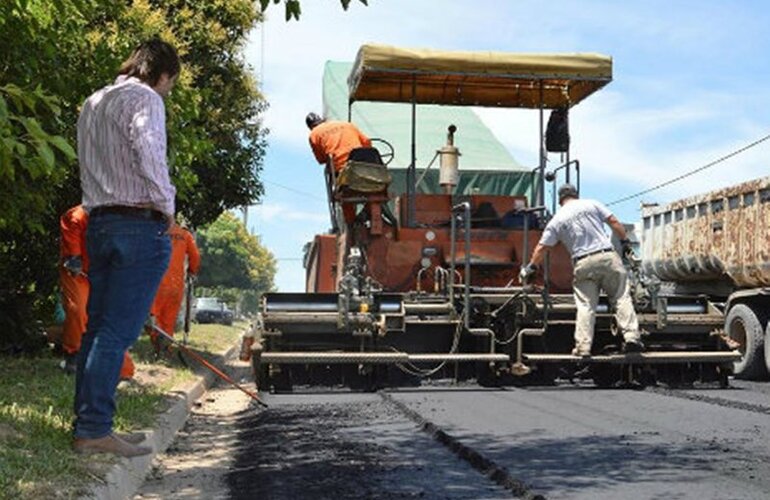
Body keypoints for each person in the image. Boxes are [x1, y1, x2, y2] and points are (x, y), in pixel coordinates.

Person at [73, 39, 180, 457]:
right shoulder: (146, 98)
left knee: (98, 329)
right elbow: (150, 150)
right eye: (170, 83)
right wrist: (166, 204)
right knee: (117, 332)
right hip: (138, 224)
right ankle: (95, 430)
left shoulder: (94, 101)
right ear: (164, 74)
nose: (168, 90)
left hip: (99, 222)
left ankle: (91, 425)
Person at [520, 183, 644, 357]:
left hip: (583, 262)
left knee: (586, 306)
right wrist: (624, 242)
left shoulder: (557, 219)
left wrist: (531, 267)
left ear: (560, 200)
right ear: (575, 195)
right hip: (607, 256)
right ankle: (631, 338)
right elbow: (614, 222)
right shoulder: (592, 204)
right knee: (621, 297)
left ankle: (583, 347)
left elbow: (542, 247)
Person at [59, 204, 135, 379]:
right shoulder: (78, 215)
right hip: (77, 271)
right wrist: (73, 257)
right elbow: (71, 235)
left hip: (104, 272)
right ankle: (73, 354)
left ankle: (116, 365)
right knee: (77, 310)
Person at [306, 112, 372, 224]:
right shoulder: (347, 125)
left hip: (343, 172)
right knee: (375, 193)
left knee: (344, 194)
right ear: (322, 120)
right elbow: (367, 143)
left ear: (310, 126)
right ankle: (369, 211)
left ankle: (351, 224)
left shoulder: (314, 134)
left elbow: (321, 160)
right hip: (365, 169)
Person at [149, 223, 200, 350]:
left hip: (157, 280)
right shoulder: (185, 234)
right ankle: (165, 348)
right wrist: (192, 271)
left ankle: (157, 345)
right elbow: (195, 256)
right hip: (176, 284)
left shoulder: (156, 230)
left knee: (154, 316)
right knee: (169, 319)